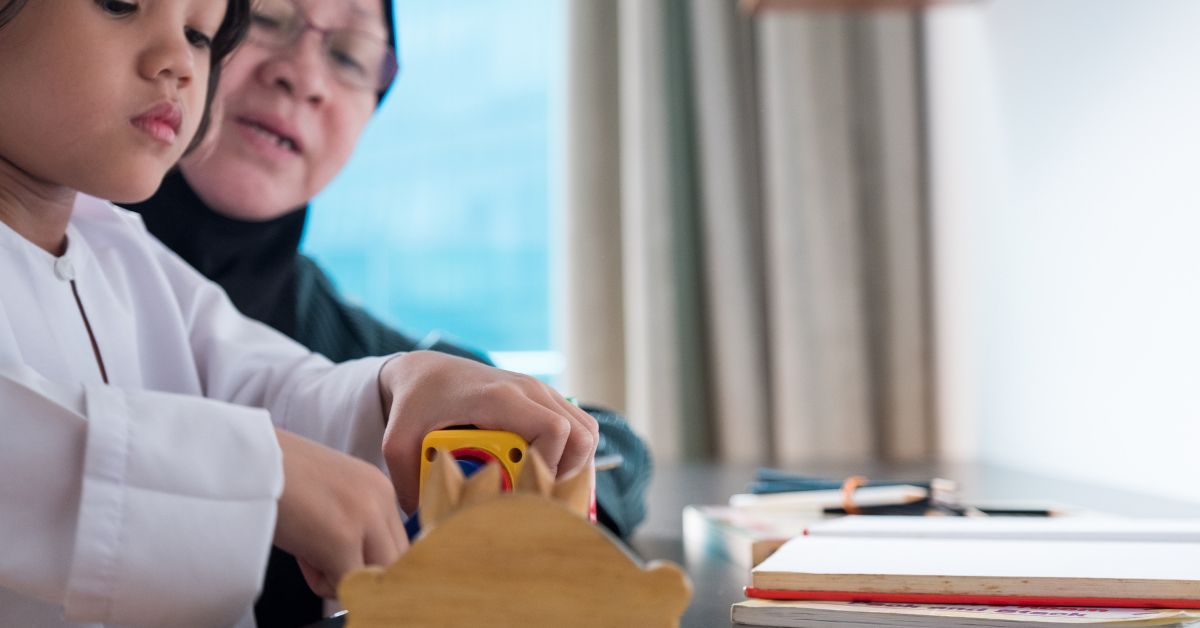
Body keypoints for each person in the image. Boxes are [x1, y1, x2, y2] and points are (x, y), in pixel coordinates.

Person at [0, 1, 598, 626]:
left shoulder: (121, 251)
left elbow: (266, 384)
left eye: (201, 34)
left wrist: (397, 387)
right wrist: (260, 472)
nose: (179, 63)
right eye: (120, 3)